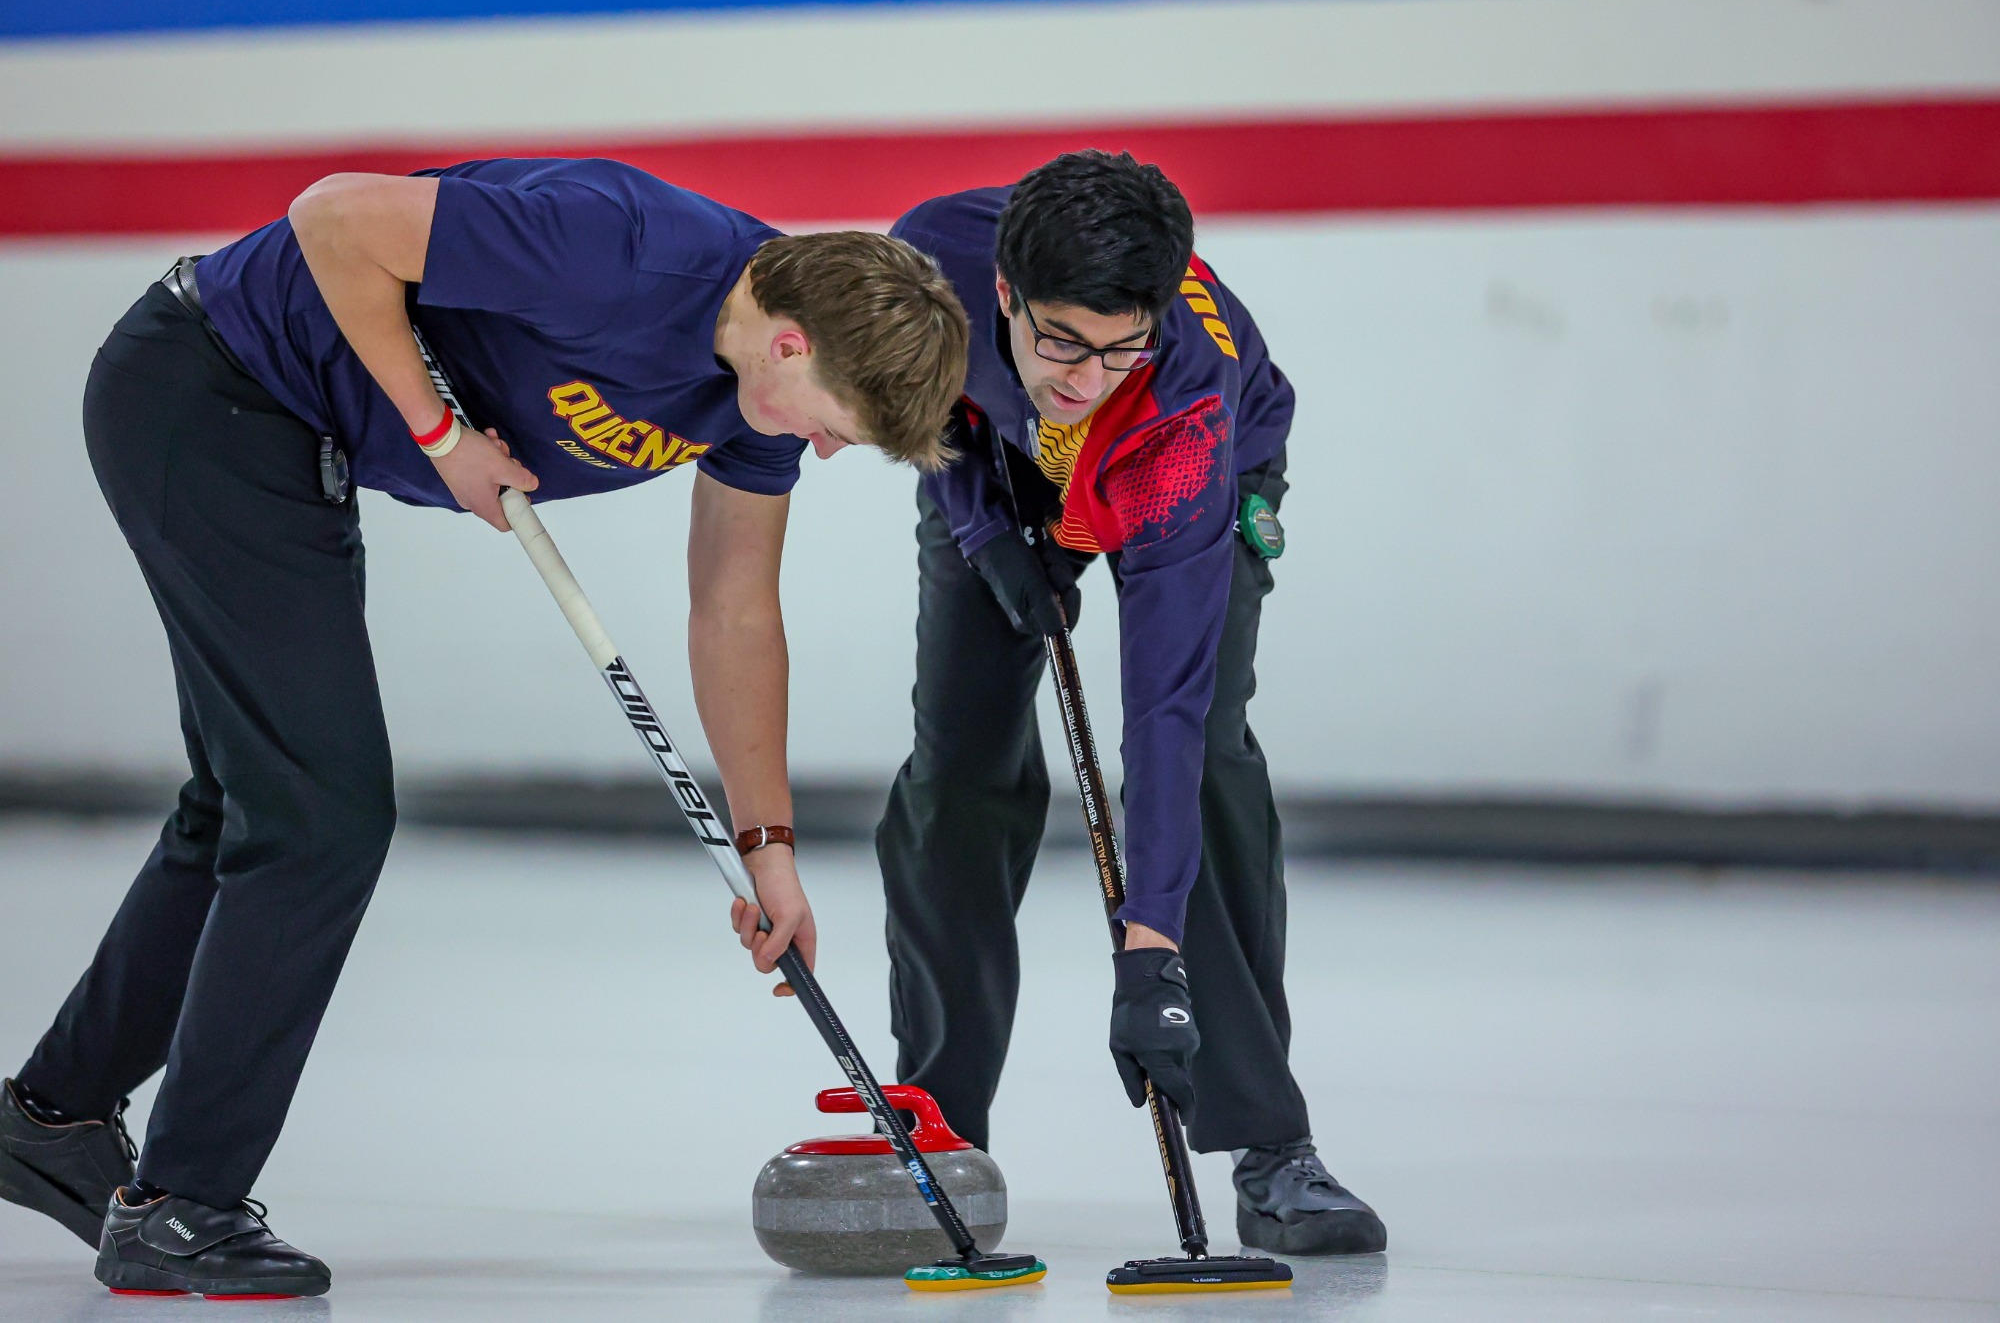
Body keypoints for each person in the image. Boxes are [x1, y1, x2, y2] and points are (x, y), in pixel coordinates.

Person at [0, 156, 968, 1299]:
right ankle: (180, 1209)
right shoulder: (620, 248)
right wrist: (438, 431)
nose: (821, 450)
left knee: (254, 802)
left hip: (283, 437)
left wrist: (770, 849)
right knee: (321, 814)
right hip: (205, 387)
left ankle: (51, 1121)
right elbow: (336, 218)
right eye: (832, 429)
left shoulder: (749, 396)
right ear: (792, 346)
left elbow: (735, 610)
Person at [876, 151, 1386, 1256]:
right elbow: (921, 401)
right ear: (1002, 294)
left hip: (1189, 472)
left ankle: (1269, 1146)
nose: (1083, 377)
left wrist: (1147, 949)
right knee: (957, 768)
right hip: (993, 460)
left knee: (1199, 756)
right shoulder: (924, 265)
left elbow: (1158, 701)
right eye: (1058, 339)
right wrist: (981, 529)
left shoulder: (1177, 400)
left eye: (1117, 346)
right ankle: (936, 1126)